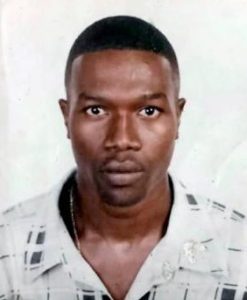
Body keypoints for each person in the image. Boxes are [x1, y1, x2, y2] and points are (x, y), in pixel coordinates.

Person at [0, 15, 246, 300]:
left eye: (148, 111)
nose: (121, 139)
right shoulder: (7, 252)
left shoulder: (240, 254)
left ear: (178, 118)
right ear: (66, 117)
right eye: (96, 110)